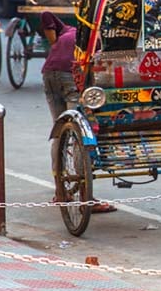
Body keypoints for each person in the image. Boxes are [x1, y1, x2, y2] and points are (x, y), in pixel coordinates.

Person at [41, 11, 116, 213]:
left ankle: (60, 193)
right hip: (69, 75)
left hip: (48, 73)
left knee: (60, 131)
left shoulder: (67, 31)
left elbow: (46, 15)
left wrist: (53, 43)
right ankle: (86, 198)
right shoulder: (94, 37)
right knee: (78, 133)